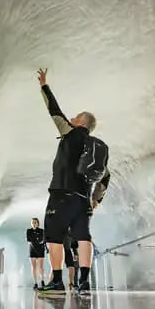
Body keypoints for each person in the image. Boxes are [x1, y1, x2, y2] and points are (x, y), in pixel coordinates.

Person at [37, 68, 109, 294]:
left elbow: (54, 111)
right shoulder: (97, 146)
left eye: (76, 116)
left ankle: (57, 281)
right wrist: (96, 200)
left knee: (55, 237)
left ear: (80, 123)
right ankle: (84, 282)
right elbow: (105, 176)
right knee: (83, 237)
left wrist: (44, 85)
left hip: (61, 195)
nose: (72, 117)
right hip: (82, 200)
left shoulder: (70, 133)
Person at [26, 218, 46, 289]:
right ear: (31, 224)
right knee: (34, 267)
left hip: (40, 250)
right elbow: (29, 240)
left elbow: (43, 240)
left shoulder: (42, 231)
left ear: (38, 223)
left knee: (41, 267)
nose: (34, 224)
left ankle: (42, 280)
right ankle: (35, 283)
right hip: (32, 250)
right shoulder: (29, 231)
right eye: (33, 222)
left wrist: (39, 242)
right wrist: (38, 241)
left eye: (35, 222)